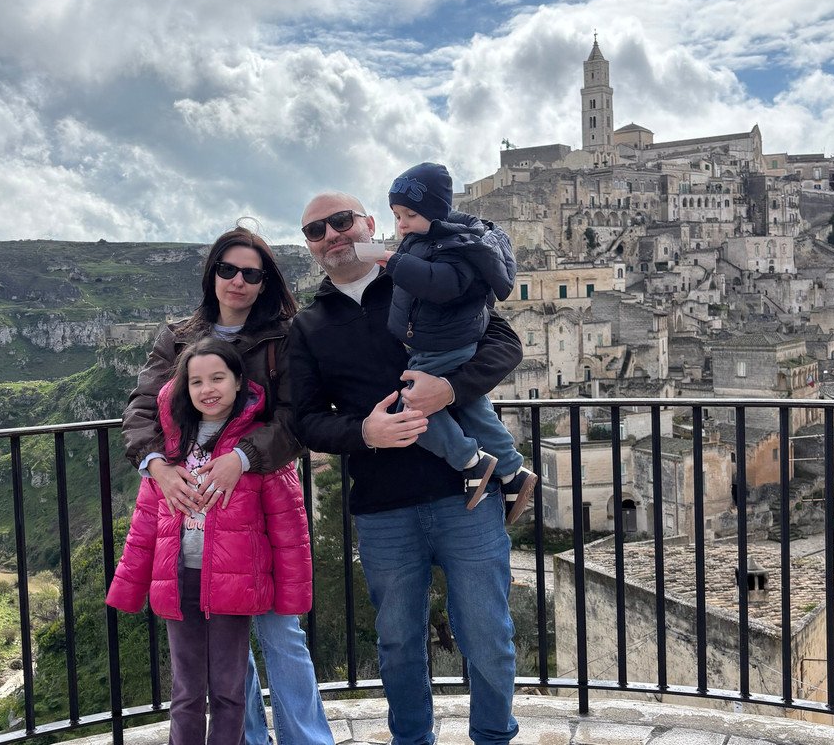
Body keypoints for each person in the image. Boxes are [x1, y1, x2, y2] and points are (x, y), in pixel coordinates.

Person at [289, 191, 523, 745]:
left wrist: (451, 389)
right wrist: (363, 433)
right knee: (396, 641)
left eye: (341, 221)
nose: (331, 236)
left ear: (369, 224)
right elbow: (305, 421)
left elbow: (504, 342)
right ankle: (411, 741)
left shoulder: (424, 278)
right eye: (315, 231)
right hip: (382, 505)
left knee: (487, 633)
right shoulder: (310, 325)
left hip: (465, 491)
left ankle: (493, 737)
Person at [121, 227, 332, 745]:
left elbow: (296, 418)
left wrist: (243, 457)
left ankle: (307, 739)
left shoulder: (285, 337)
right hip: (194, 506)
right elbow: (142, 409)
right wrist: (157, 466)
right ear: (211, 273)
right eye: (227, 269)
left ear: (265, 283)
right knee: (224, 638)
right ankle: (250, 740)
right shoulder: (177, 337)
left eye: (251, 273)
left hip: (261, 501)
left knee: (281, 632)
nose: (237, 281)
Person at [106, 337, 313, 745]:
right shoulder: (168, 449)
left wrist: (292, 597)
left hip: (233, 586)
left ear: (239, 382)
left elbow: (290, 530)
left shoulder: (256, 448)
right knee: (185, 693)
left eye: (218, 377)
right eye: (196, 381)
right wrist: (128, 588)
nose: (208, 389)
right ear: (184, 388)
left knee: (228, 693)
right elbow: (146, 522)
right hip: (178, 581)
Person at [377, 162, 537, 522]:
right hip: (440, 343)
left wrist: (393, 262)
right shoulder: (430, 241)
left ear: (434, 212)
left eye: (409, 214)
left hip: (441, 346)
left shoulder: (456, 247)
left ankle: (471, 462)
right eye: (396, 215)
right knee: (473, 408)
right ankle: (513, 471)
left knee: (412, 413)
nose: (400, 224)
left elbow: (441, 284)